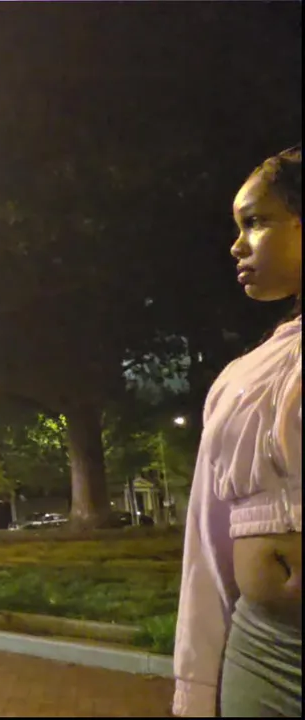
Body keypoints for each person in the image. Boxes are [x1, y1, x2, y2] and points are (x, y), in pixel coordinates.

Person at [174, 144, 302, 717]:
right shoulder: (241, 377)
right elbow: (207, 542)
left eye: (256, 222)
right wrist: (196, 687)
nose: (237, 245)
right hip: (262, 653)